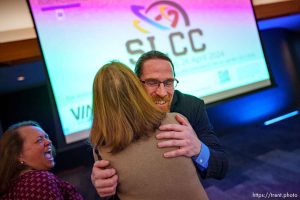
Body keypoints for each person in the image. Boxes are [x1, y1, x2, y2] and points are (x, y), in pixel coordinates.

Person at [91, 50, 229, 198]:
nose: (162, 93)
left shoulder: (190, 107)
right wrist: (101, 183)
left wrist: (198, 149)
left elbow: (221, 167)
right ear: (136, 85)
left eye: (169, 82)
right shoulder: (118, 120)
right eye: (152, 82)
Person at [0, 121, 84, 200]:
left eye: (46, 137)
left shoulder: (16, 187)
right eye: (39, 140)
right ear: (19, 155)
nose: (48, 142)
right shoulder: (38, 181)